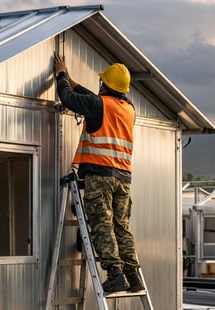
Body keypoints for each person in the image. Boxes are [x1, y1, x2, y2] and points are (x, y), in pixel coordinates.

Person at [54, 54, 141, 293]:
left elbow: (68, 98)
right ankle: (133, 274)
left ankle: (115, 273)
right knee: (120, 226)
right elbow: (94, 101)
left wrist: (62, 76)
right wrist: (73, 81)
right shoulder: (128, 109)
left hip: (100, 175)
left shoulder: (98, 105)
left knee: (102, 224)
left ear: (105, 84)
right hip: (123, 178)